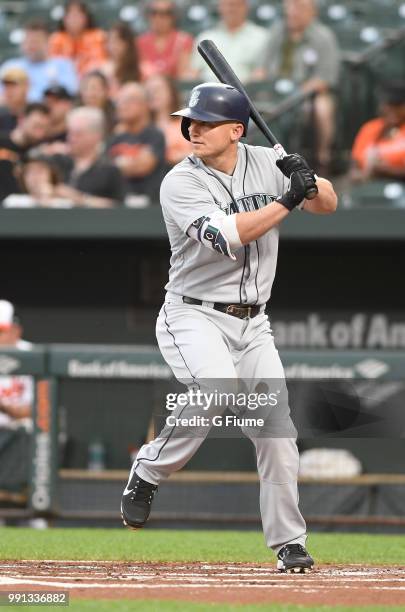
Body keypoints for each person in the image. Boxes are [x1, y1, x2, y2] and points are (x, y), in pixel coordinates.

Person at [120, 82, 337, 572]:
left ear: (236, 130)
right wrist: (286, 201)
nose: (193, 129)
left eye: (205, 122)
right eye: (190, 121)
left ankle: (289, 543)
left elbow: (328, 205)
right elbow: (228, 237)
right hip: (192, 313)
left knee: (277, 434)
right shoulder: (180, 182)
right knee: (215, 387)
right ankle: (149, 470)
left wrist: (308, 180)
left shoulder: (266, 161)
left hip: (254, 323)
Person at [259, 0, 340, 171]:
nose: (293, 12)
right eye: (290, 7)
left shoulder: (323, 36)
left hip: (307, 92)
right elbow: (262, 69)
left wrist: (299, 92)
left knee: (322, 107)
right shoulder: (277, 31)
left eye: (299, 7)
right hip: (274, 89)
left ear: (313, 12)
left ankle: (322, 158)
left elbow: (325, 79)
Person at [54, 106, 125, 208]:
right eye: (69, 133)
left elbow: (119, 207)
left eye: (78, 134)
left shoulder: (109, 169)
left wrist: (80, 199)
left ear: (96, 136)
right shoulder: (58, 163)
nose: (70, 138)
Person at [107, 83, 166, 203]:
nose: (121, 106)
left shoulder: (155, 135)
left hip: (149, 203)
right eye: (119, 101)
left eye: (128, 100)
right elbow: (105, 170)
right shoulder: (115, 138)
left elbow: (142, 167)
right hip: (118, 202)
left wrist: (118, 164)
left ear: (145, 104)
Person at [188, 0, 269, 83]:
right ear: (219, 8)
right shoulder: (205, 38)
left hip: (245, 92)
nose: (230, 9)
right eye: (225, 5)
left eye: (235, 5)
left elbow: (262, 72)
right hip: (209, 92)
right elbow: (193, 72)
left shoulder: (261, 37)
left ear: (246, 7)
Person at [0, 300, 34, 498]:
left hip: (20, 437)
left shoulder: (29, 354)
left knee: (29, 429)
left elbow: (39, 409)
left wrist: (7, 408)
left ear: (15, 330)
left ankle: (37, 516)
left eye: (1, 330)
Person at [0, 19, 78, 103]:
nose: (31, 46)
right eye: (28, 41)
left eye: (36, 41)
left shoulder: (63, 65)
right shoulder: (10, 66)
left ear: (47, 42)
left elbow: (69, 93)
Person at [351, 82, 405, 181]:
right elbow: (354, 169)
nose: (391, 109)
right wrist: (363, 174)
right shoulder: (369, 128)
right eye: (387, 104)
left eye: (397, 105)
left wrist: (387, 171)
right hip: (369, 188)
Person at [0, 103, 51, 203]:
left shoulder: (39, 154)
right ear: (21, 120)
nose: (40, 134)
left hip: (20, 208)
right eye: (36, 126)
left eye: (44, 128)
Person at [136, 0, 194, 80]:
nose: (158, 17)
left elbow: (184, 73)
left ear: (174, 16)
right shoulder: (140, 42)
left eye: (166, 13)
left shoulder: (183, 40)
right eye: (154, 13)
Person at [48, 0, 107, 77]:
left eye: (78, 14)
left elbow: (100, 63)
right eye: (70, 14)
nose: (74, 18)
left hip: (91, 80)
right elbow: (52, 65)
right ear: (64, 18)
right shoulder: (55, 39)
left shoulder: (98, 37)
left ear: (86, 17)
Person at [145, 74, 192, 168]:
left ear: (171, 93)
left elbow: (195, 154)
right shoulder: (141, 127)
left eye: (157, 89)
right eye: (148, 91)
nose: (152, 94)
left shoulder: (186, 123)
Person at [102, 22, 141, 99]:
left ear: (127, 43)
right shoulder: (103, 69)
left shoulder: (142, 69)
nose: (112, 45)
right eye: (109, 41)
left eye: (117, 41)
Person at [79, 71, 115, 135]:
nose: (91, 94)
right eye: (86, 89)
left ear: (106, 91)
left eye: (95, 88)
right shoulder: (76, 116)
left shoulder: (116, 116)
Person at [0, 67, 29, 134]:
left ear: (26, 86)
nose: (9, 90)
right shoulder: (2, 114)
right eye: (6, 86)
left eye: (13, 85)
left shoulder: (35, 112)